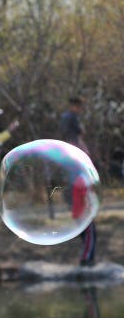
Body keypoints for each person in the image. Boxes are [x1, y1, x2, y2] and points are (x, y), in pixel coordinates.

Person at [60, 96, 97, 267]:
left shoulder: (71, 163)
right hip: (80, 194)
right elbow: (80, 134)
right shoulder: (71, 119)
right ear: (74, 106)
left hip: (78, 197)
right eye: (79, 106)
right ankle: (86, 259)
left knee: (86, 228)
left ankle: (86, 258)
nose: (81, 109)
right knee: (89, 230)